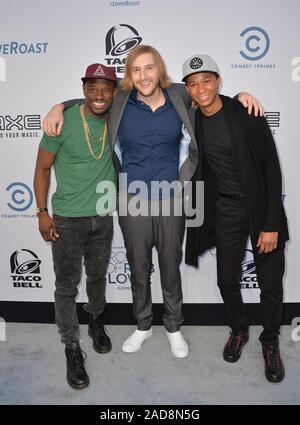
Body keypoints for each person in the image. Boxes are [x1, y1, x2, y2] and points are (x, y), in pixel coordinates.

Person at [42, 45, 263, 359]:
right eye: (135, 69)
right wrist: (57, 106)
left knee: (170, 267)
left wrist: (242, 95)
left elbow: (209, 97)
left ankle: (173, 327)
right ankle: (143, 324)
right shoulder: (119, 100)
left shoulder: (179, 96)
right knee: (139, 267)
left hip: (172, 198)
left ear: (159, 70)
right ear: (129, 75)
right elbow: (92, 98)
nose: (143, 75)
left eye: (149, 68)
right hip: (131, 199)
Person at [183, 54, 289, 382]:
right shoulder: (190, 118)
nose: (201, 88)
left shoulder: (246, 113)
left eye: (206, 80)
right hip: (225, 210)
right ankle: (239, 330)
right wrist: (63, 105)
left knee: (270, 284)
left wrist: (270, 222)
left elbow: (272, 168)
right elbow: (142, 91)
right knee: (226, 280)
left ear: (218, 81)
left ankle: (270, 342)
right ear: (187, 89)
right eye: (193, 83)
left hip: (260, 209)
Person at [33, 64, 117, 389]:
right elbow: (42, 169)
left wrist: (61, 101)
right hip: (67, 218)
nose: (99, 95)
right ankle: (71, 347)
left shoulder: (118, 117)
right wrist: (41, 212)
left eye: (105, 89)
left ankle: (96, 320)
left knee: (96, 276)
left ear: (114, 92)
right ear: (83, 90)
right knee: (66, 285)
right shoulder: (61, 122)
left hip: (103, 216)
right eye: (92, 87)